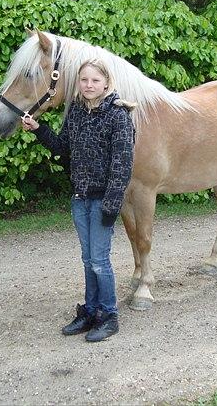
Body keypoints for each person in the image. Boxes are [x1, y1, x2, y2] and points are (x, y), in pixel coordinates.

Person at [20, 58, 135, 342]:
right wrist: (38, 129)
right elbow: (62, 148)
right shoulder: (76, 112)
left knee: (100, 261)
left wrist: (111, 206)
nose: (89, 85)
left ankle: (109, 316)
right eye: (84, 80)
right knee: (88, 260)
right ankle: (90, 311)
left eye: (95, 80)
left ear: (106, 83)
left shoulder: (118, 115)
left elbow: (122, 165)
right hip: (79, 198)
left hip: (101, 202)